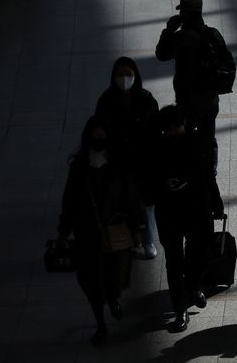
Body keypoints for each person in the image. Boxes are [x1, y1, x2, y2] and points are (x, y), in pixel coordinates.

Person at [57, 116, 145, 344]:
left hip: (114, 228)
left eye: (102, 135)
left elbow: (131, 198)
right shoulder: (79, 167)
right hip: (87, 231)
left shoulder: (119, 165)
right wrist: (64, 229)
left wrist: (136, 226)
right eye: (95, 135)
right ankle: (100, 323)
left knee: (114, 271)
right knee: (90, 278)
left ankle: (113, 296)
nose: (99, 139)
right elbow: (70, 199)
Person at [149, 105, 223, 332]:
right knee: (174, 259)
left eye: (178, 127)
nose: (176, 132)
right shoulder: (157, 147)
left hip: (196, 206)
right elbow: (149, 177)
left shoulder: (197, 141)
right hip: (170, 209)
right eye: (171, 129)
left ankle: (192, 283)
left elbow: (207, 174)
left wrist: (216, 203)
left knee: (202, 251)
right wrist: (163, 184)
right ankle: (180, 307)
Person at [95, 56, 160, 259]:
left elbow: (155, 130)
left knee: (145, 204)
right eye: (120, 75)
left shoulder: (146, 100)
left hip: (142, 161)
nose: (124, 79)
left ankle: (148, 241)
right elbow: (99, 130)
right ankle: (127, 241)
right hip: (118, 161)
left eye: (128, 74)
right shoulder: (106, 101)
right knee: (120, 203)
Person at [155, 0, 229, 170]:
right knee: (208, 134)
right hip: (210, 99)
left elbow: (161, 54)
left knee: (186, 137)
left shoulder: (182, 37)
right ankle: (210, 168)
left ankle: (190, 169)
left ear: (185, 14)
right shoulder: (213, 33)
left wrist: (168, 30)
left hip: (187, 99)